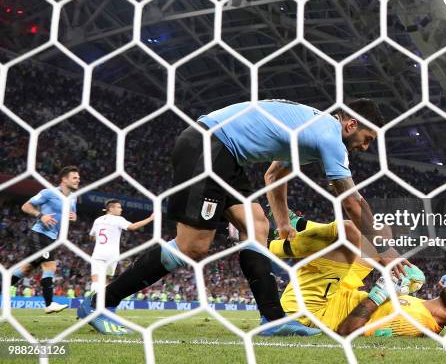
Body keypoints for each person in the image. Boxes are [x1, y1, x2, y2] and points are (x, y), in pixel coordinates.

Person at [79, 99, 399, 336]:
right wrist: (382, 251)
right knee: (193, 247)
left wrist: (284, 222)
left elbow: (273, 176)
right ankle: (100, 303)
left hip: (227, 157)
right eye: (368, 138)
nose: (365, 147)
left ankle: (273, 319)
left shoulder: (310, 132)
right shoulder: (329, 135)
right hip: (209, 147)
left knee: (258, 226)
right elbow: (353, 204)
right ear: (351, 124)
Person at [272, 215, 446, 336]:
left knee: (349, 231)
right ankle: (294, 226)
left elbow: (348, 332)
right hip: (340, 292)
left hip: (311, 309)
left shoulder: (415, 323)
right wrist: (407, 285)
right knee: (380, 232)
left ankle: (274, 243)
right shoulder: (421, 307)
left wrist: (379, 294)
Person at [12, 166, 80, 314]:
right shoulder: (49, 193)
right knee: (50, 266)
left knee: (25, 269)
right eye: (74, 177)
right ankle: (49, 304)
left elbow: (72, 213)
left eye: (78, 178)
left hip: (53, 238)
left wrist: (74, 216)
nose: (78, 180)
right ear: (64, 179)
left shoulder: (73, 197)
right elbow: (26, 206)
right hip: (40, 234)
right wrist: (40, 215)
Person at [89, 199, 154, 295]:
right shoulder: (118, 219)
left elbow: (91, 237)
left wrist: (97, 239)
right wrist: (150, 218)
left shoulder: (97, 220)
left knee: (96, 279)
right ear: (110, 209)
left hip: (99, 252)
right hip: (113, 254)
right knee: (105, 279)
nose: (121, 209)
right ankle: (105, 303)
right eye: (118, 207)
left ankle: (93, 304)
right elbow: (133, 226)